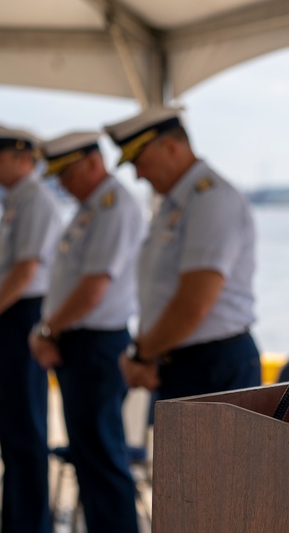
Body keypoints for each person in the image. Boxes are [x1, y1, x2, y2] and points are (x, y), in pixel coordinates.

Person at [28, 132, 149, 533]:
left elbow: (95, 287)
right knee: (93, 466)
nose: (63, 185)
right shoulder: (92, 207)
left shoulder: (114, 205)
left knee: (103, 467)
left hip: (97, 346)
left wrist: (47, 328)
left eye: (67, 173)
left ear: (92, 163)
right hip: (81, 345)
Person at [104, 107, 261, 400]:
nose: (138, 175)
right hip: (181, 360)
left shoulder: (210, 200)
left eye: (140, 161)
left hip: (213, 365)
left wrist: (140, 355)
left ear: (171, 147)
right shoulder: (177, 202)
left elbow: (194, 304)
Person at [0, 123, 62, 533]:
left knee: (25, 428)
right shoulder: (18, 200)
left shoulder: (35, 201)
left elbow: (27, 270)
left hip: (23, 316)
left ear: (23, 158)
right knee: (13, 430)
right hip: (10, 318)